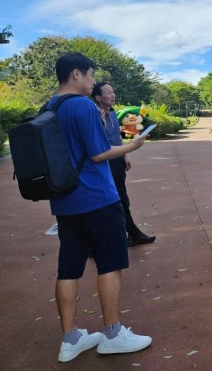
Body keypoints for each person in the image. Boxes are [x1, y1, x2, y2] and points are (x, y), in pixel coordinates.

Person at [50, 53, 152, 363]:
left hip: (65, 200)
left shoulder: (49, 107)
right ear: (77, 74)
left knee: (68, 267)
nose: (94, 82)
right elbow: (98, 153)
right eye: (92, 76)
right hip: (96, 197)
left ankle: (70, 340)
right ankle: (112, 334)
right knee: (109, 263)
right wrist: (132, 146)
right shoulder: (82, 106)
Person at [91, 82, 156, 247]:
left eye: (113, 92)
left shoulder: (113, 113)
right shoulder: (94, 116)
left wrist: (125, 155)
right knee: (109, 201)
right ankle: (98, 243)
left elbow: (117, 137)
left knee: (122, 199)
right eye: (108, 93)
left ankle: (132, 234)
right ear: (98, 97)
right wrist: (131, 147)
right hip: (104, 162)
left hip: (117, 159)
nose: (112, 95)